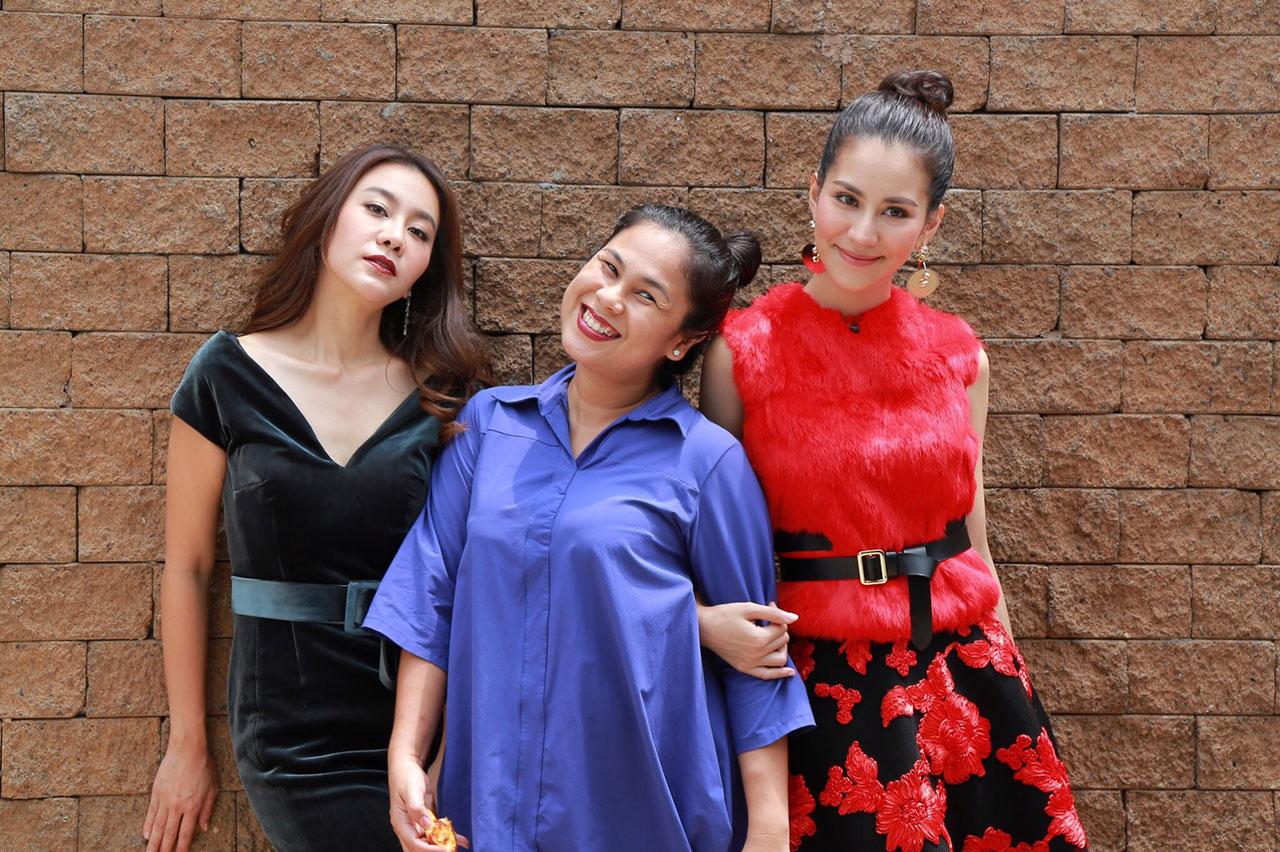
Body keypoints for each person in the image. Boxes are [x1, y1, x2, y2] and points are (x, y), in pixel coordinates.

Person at [698, 71, 1088, 851]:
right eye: (846, 199)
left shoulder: (959, 355)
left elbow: (974, 537)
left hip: (965, 674)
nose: (863, 232)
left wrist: (1009, 666)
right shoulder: (742, 352)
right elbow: (712, 546)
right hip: (819, 686)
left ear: (931, 225)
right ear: (813, 193)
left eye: (896, 211)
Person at [364, 204, 815, 852]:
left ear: (682, 341)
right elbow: (430, 598)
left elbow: (760, 655)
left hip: (640, 808)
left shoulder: (706, 462)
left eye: (646, 295)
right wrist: (407, 756)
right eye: (608, 267)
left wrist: (768, 832)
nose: (607, 297)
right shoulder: (489, 425)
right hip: (488, 801)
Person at [143, 144, 491, 852]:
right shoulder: (226, 375)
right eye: (377, 209)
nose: (395, 236)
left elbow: (462, 577)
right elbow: (188, 567)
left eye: (419, 231)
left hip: (419, 723)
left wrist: (446, 750)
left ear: (426, 269)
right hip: (290, 735)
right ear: (327, 219)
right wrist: (187, 745)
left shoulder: (439, 397)